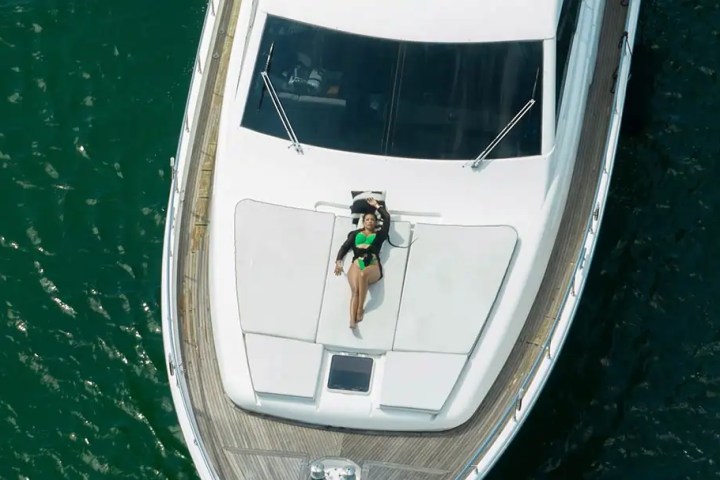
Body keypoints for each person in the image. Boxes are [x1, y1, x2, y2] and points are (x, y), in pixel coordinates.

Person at [334, 197, 390, 329]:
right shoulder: (355, 234)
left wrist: (377, 206)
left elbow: (387, 218)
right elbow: (344, 247)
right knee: (355, 291)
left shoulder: (379, 235)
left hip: (372, 264)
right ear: (363, 222)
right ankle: (352, 320)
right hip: (357, 262)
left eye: (372, 220)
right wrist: (339, 262)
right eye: (367, 219)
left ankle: (360, 309)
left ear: (375, 223)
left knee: (364, 275)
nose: (370, 221)